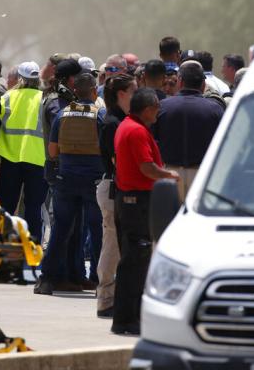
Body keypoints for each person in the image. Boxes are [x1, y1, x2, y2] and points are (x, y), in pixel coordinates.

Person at [112, 88, 180, 335]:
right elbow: (147, 168)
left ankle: (128, 318)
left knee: (134, 261)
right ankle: (126, 319)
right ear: (148, 108)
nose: (158, 112)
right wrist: (169, 175)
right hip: (135, 202)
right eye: (156, 108)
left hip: (132, 200)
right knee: (135, 261)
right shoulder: (136, 130)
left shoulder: (129, 126)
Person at [34, 72, 105, 295]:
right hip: (94, 181)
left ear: (75, 92)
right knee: (97, 231)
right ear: (94, 91)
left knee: (60, 230)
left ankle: (46, 280)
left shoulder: (62, 114)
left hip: (66, 180)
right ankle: (100, 280)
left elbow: (52, 151)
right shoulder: (99, 114)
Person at [96, 73, 136, 318]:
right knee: (111, 245)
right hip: (113, 188)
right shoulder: (113, 123)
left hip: (119, 187)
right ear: (121, 94)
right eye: (133, 91)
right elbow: (118, 161)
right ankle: (106, 299)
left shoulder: (122, 119)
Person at [0, 61, 48, 242]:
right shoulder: (44, 98)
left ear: (20, 79)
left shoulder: (7, 97)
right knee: (33, 206)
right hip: (38, 159)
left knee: (7, 204)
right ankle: (33, 245)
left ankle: (3, 243)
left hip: (10, 158)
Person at [154, 63, 224, 200]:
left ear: (180, 81)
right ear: (203, 84)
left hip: (168, 175)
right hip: (203, 176)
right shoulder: (215, 110)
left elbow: (152, 140)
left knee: (169, 220)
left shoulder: (162, 107)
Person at [41, 59, 82, 187]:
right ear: (70, 79)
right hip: (59, 168)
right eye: (78, 76)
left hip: (66, 166)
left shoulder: (67, 99)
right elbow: (64, 134)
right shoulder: (56, 103)